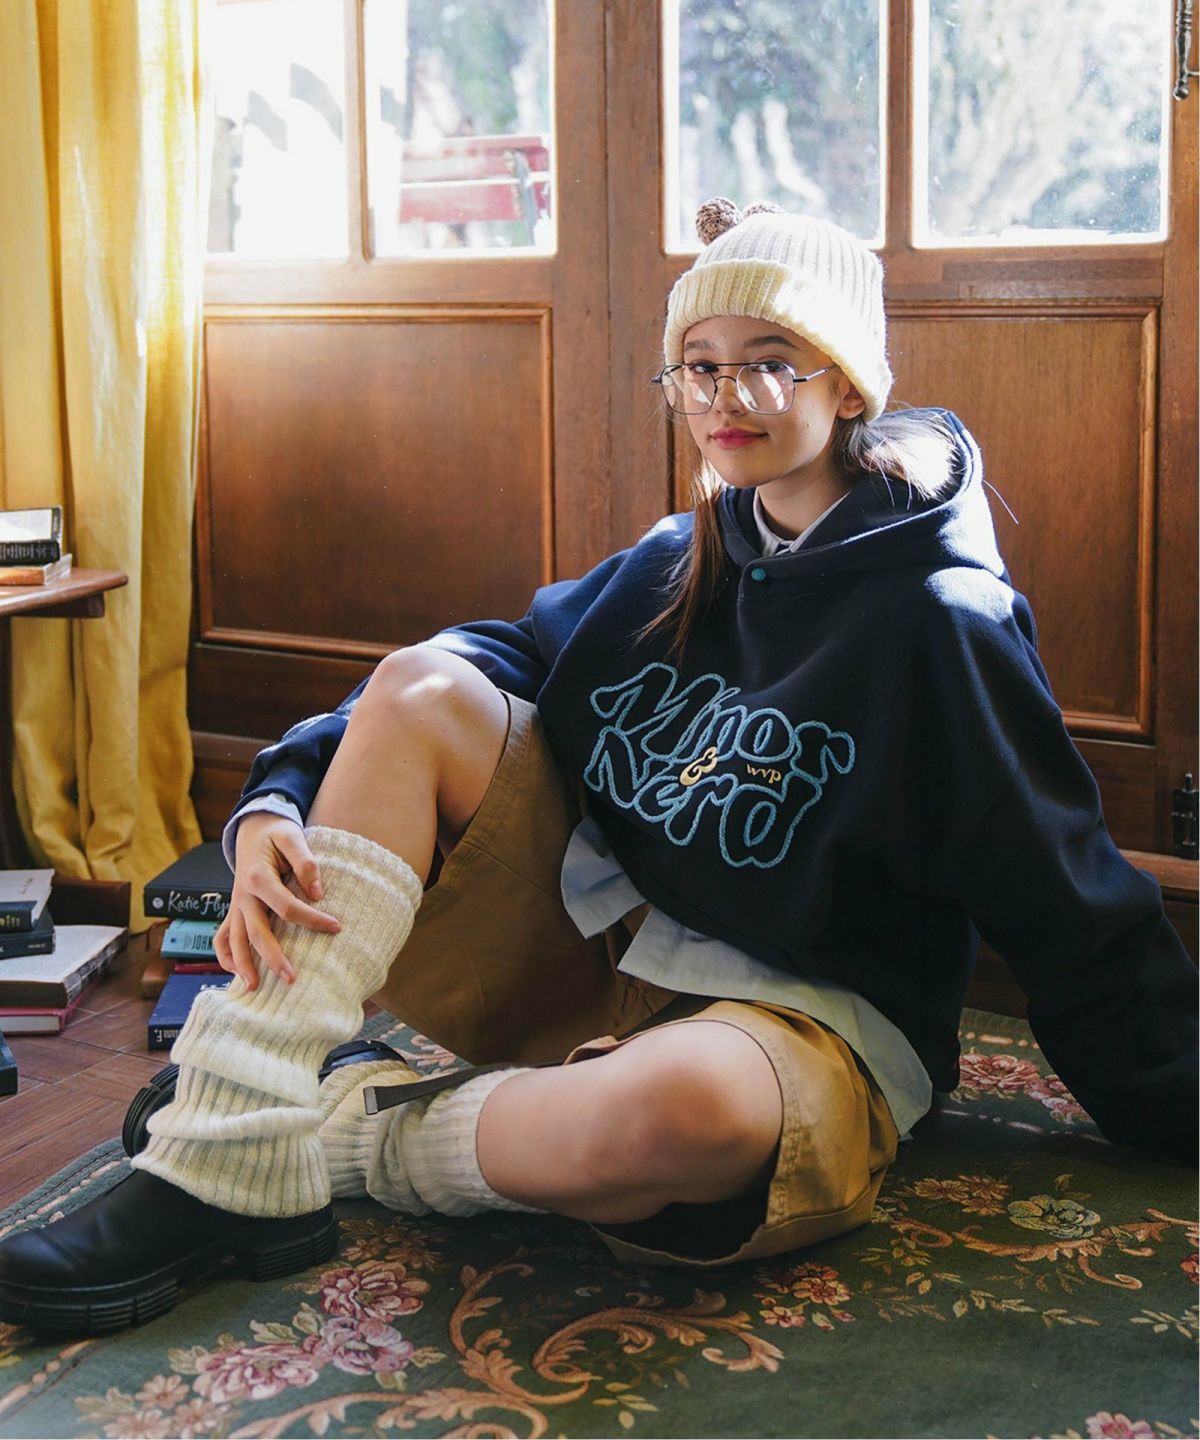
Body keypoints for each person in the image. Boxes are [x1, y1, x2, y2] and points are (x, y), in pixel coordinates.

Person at [1, 198, 1194, 1338]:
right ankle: (220, 1149)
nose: (726, 398)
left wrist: (1173, 1097)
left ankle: (328, 1132)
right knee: (420, 683)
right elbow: (484, 662)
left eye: (771, 360)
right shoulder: (687, 553)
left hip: (800, 1024)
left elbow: (1064, 890)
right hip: (614, 953)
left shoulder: (944, 620)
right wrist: (277, 794)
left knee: (686, 1120)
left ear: (847, 382)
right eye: (700, 366)